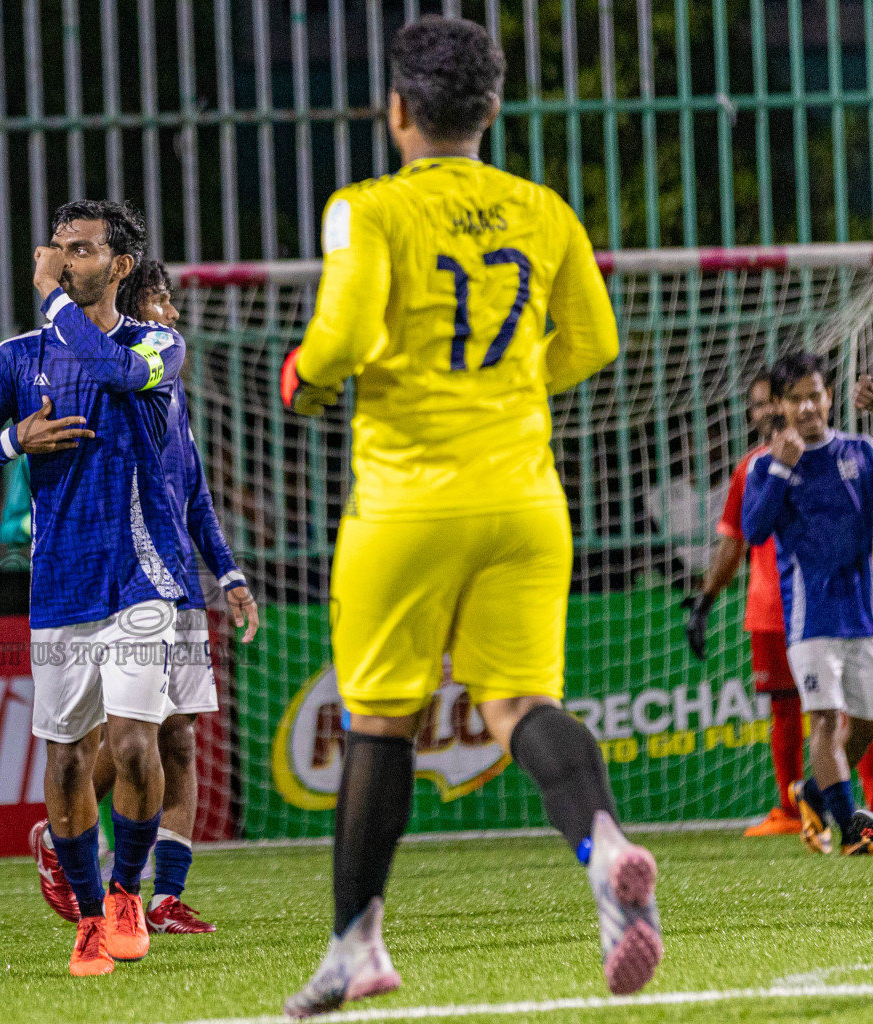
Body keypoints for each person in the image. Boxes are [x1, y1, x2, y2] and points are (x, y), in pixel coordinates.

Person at [278, 17, 659, 1015]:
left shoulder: (365, 209)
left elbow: (343, 335)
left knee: (378, 720)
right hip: (526, 498)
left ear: (396, 110)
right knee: (517, 705)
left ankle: (356, 943)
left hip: (407, 504)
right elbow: (593, 341)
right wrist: (509, 386)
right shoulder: (543, 208)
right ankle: (603, 844)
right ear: (491, 109)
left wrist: (305, 379)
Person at [0, 200, 194, 977]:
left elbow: (114, 370)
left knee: (133, 741)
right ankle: (90, 919)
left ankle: (126, 895)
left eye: (80, 251)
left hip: (143, 577)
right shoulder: (17, 358)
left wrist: (54, 298)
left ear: (119, 267)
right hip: (61, 582)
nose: (61, 261)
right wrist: (16, 438)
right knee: (63, 765)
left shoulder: (157, 344)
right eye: (57, 248)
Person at [27, 258, 260, 935]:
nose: (174, 315)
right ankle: (61, 832)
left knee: (180, 735)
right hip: (116, 580)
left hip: (177, 575)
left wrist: (229, 573)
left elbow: (190, 488)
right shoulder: (90, 377)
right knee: (136, 734)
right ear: (131, 306)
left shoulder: (166, 379)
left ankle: (165, 898)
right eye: (162, 301)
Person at [741, 350, 873, 857]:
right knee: (822, 719)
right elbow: (754, 530)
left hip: (861, 611)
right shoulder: (766, 465)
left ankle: (812, 794)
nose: (807, 407)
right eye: (795, 399)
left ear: (829, 395)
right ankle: (852, 830)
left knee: (865, 723)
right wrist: (781, 468)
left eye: (814, 395)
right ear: (780, 406)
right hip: (809, 617)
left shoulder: (860, 451)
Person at [684, 379, 808, 836]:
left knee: (851, 705)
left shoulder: (824, 455)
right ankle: (791, 809)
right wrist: (705, 601)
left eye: (768, 401)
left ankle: (866, 806)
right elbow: (733, 544)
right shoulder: (748, 469)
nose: (762, 412)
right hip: (769, 607)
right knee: (784, 707)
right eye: (754, 406)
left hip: (823, 600)